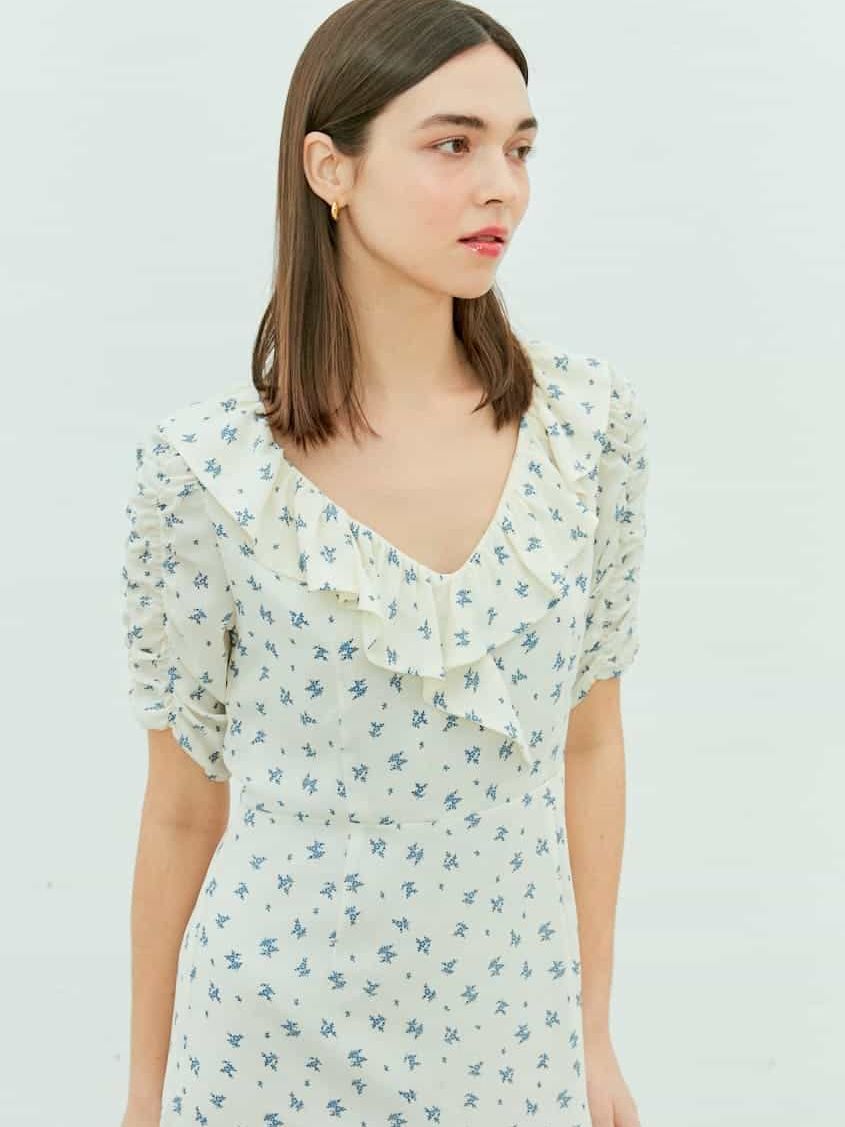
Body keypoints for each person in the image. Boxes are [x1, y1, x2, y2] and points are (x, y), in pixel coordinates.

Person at [119, 2, 649, 1124]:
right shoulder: (206, 472)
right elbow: (179, 810)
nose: (501, 187)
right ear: (331, 169)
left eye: (518, 148)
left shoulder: (586, 430)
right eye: (452, 144)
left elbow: (591, 743)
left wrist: (591, 1032)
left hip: (513, 1051)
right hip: (264, 1055)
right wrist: (143, 1092)